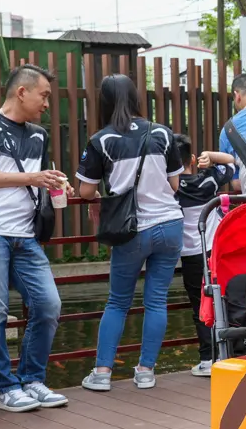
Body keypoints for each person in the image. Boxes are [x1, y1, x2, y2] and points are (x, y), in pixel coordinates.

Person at [0, 65, 69, 412]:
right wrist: (33, 177)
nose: (47, 103)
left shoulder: (38, 134)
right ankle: (5, 389)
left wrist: (54, 182)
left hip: (24, 235)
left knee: (49, 304)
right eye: (44, 95)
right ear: (22, 92)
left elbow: (35, 178)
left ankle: (32, 380)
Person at [77, 74, 185, 392]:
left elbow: (85, 191)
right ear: (137, 98)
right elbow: (176, 185)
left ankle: (101, 373)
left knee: (117, 302)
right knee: (156, 301)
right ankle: (146, 371)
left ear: (105, 102)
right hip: (169, 225)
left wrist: (98, 197)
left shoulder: (102, 140)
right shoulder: (163, 133)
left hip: (130, 231)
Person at [174, 134, 240, 377]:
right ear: (192, 159)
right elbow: (232, 161)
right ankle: (227, 352)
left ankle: (206, 359)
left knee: (198, 305)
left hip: (189, 255)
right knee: (220, 298)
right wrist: (211, 156)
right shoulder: (209, 181)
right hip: (213, 250)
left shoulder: (168, 187)